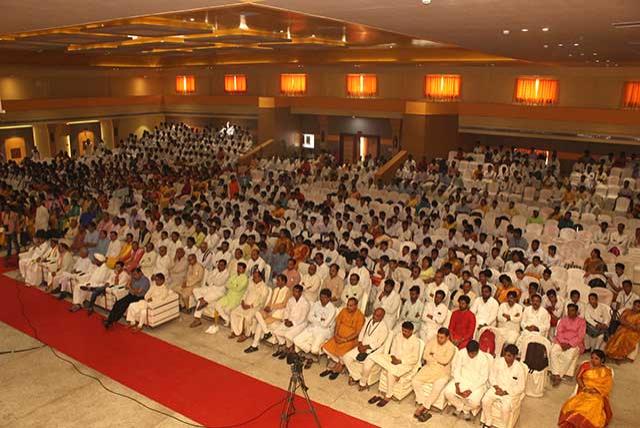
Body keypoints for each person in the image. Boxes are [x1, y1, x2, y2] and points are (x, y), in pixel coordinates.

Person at [366, 321, 421, 407]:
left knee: (390, 372)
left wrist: (400, 361)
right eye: (403, 330)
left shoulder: (416, 341)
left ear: (411, 331)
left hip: (406, 364)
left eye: (406, 331)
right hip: (393, 359)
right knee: (375, 357)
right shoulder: (398, 336)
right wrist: (393, 358)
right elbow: (393, 349)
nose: (404, 333)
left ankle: (388, 396)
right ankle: (382, 391)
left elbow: (414, 359)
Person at [558, 350, 613, 428]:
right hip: (584, 390)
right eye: (592, 358)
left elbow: (607, 386)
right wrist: (584, 388)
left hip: (598, 393)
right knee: (573, 405)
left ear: (602, 360)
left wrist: (595, 390)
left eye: (596, 358)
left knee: (594, 404)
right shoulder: (585, 365)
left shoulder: (606, 371)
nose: (593, 360)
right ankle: (575, 421)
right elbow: (578, 377)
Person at [412, 327, 457, 423]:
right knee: (415, 381)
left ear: (447, 337)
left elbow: (445, 361)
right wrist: (435, 358)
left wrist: (433, 355)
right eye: (438, 337)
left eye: (442, 338)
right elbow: (425, 356)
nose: (439, 339)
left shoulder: (451, 347)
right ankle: (422, 402)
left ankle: (424, 407)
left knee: (437, 386)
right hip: (429, 368)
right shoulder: (432, 341)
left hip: (443, 372)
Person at [480, 344, 527, 428]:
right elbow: (492, 376)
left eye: (509, 356)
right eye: (505, 355)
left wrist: (505, 392)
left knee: (505, 408)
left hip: (509, 394)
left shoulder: (519, 368)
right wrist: (497, 388)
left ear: (515, 356)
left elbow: (521, 386)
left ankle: (503, 426)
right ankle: (488, 421)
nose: (506, 358)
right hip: (496, 388)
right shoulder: (498, 361)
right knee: (485, 400)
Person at [443, 340, 491, 420]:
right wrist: (457, 384)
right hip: (461, 379)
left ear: (478, 351)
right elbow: (456, 368)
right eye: (469, 353)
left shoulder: (483, 359)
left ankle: (466, 410)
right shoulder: (462, 353)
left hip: (476, 384)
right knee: (447, 392)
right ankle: (459, 406)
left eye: (473, 353)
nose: (470, 355)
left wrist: (471, 390)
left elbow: (483, 377)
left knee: (475, 401)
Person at [244, 273, 292, 353]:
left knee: (260, 324)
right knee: (257, 313)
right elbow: (270, 301)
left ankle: (254, 345)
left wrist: (272, 307)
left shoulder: (288, 291)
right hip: (270, 312)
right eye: (277, 280)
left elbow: (284, 304)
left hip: (278, 315)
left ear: (284, 282)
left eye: (278, 281)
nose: (277, 282)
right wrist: (267, 307)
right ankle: (266, 332)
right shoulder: (275, 289)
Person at [342, 307, 390, 387]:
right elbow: (362, 332)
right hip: (362, 346)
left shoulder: (384, 327)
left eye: (377, 316)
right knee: (346, 357)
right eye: (374, 314)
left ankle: (363, 383)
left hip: (374, 350)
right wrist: (360, 343)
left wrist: (366, 347)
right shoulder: (368, 320)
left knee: (367, 366)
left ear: (382, 317)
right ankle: (356, 376)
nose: (374, 316)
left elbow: (379, 343)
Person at [321, 297, 366, 380]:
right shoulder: (343, 311)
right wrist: (336, 335)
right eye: (348, 305)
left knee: (343, 353)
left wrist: (345, 339)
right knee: (325, 348)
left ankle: (337, 368)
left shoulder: (360, 316)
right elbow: (337, 323)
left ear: (356, 306)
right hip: (338, 336)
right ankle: (339, 363)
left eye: (351, 306)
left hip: (350, 340)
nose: (348, 307)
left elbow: (357, 333)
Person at [293, 288, 337, 368]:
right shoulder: (317, 304)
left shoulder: (332, 309)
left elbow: (325, 325)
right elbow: (309, 317)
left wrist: (316, 318)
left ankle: (310, 355)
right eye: (321, 297)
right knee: (296, 340)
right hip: (313, 327)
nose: (321, 299)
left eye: (324, 297)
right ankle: (310, 355)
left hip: (324, 331)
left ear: (329, 298)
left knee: (315, 350)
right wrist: (320, 319)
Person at [550, 304, 586, 386]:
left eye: (572, 310)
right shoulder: (563, 320)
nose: (570, 312)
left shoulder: (581, 322)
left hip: (575, 344)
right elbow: (559, 332)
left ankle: (559, 376)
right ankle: (556, 374)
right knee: (553, 352)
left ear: (577, 312)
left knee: (569, 356)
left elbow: (580, 336)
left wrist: (569, 344)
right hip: (561, 341)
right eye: (568, 310)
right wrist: (563, 343)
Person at [228, 269, 269, 342]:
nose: (253, 278)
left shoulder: (264, 288)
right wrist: (243, 301)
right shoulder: (251, 283)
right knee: (233, 312)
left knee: (248, 318)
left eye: (255, 277)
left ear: (260, 278)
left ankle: (246, 334)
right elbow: (246, 293)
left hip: (255, 307)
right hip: (245, 304)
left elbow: (261, 301)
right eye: (253, 277)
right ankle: (236, 332)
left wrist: (250, 306)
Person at [209, 262, 249, 334]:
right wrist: (234, 285)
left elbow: (238, 289)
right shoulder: (234, 275)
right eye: (238, 267)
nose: (238, 269)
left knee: (227, 310)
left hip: (236, 298)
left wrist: (232, 285)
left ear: (244, 269)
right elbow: (227, 284)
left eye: (240, 268)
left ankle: (228, 322)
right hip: (228, 296)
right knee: (217, 304)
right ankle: (226, 319)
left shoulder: (245, 278)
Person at [272, 284, 310, 358]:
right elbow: (287, 311)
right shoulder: (291, 300)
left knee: (288, 335)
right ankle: (283, 344)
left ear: (300, 293)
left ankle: (288, 349)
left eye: (296, 292)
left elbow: (303, 317)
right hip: (289, 320)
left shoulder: (305, 303)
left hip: (300, 323)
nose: (294, 293)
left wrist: (293, 323)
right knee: (276, 331)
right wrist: (285, 319)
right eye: (293, 291)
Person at [190, 259, 229, 328]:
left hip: (219, 291)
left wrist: (213, 278)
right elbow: (208, 280)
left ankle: (197, 319)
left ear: (225, 266)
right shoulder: (215, 270)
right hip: (211, 288)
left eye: (222, 265)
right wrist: (213, 279)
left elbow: (219, 283)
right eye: (219, 265)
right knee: (195, 290)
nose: (220, 266)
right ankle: (202, 301)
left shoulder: (227, 273)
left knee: (204, 299)